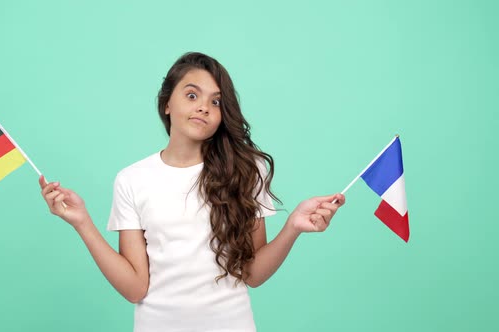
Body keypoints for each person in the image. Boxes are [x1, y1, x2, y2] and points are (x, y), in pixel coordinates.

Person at [39, 52, 345, 332]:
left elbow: (252, 273)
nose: (203, 106)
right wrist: (82, 223)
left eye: (215, 102)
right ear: (167, 104)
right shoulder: (131, 179)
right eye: (191, 95)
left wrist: (292, 227)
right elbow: (135, 288)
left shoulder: (245, 171)